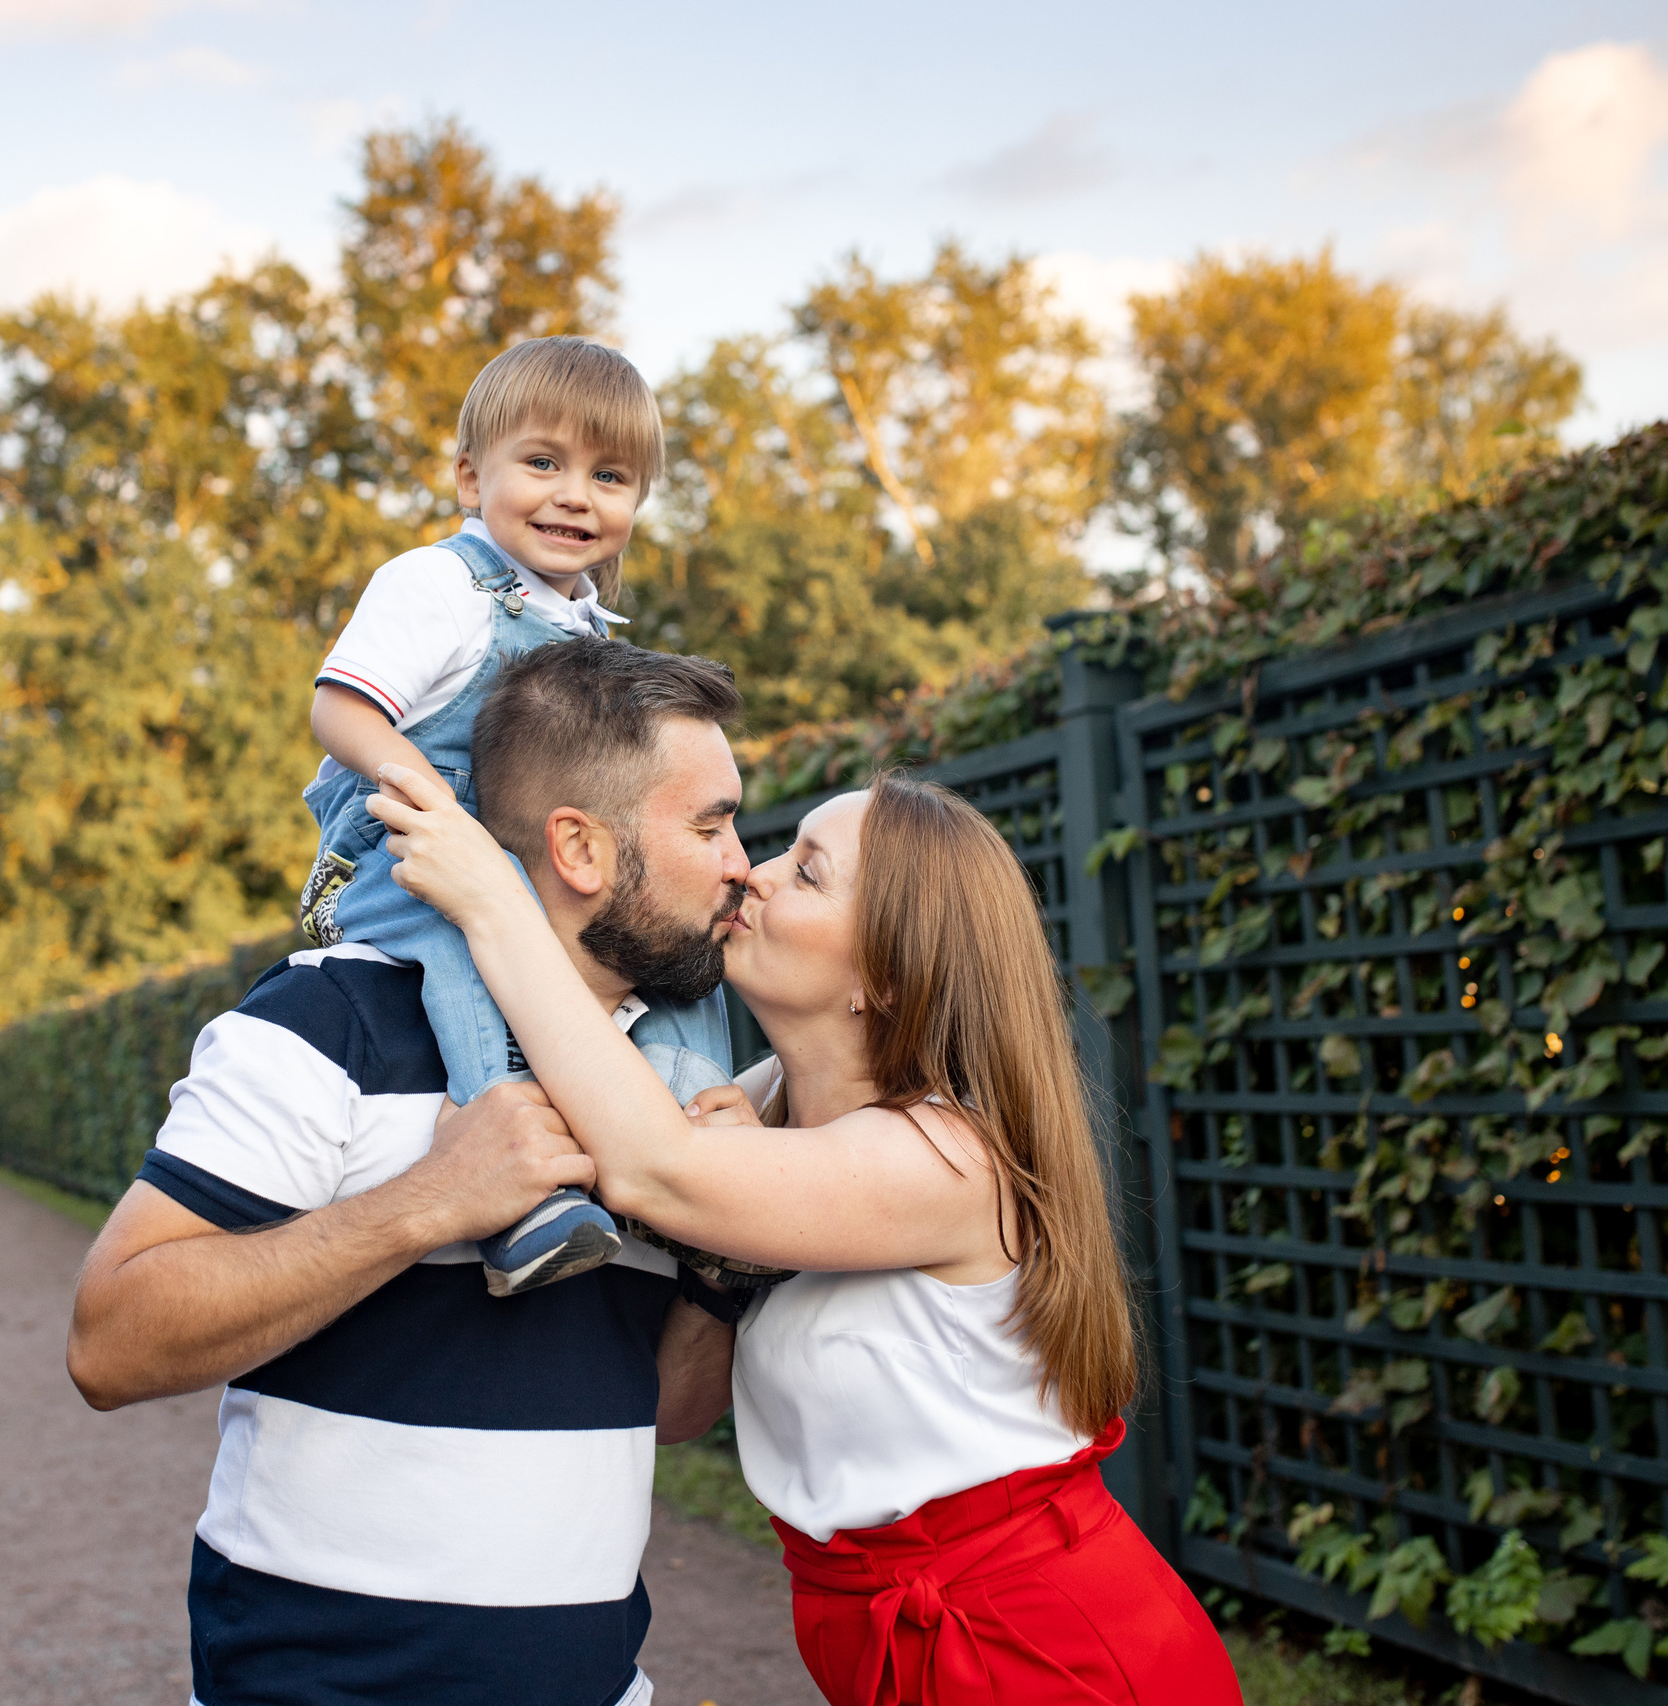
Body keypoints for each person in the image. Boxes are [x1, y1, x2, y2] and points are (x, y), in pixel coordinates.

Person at [375, 757, 1245, 1705]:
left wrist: (492, 904)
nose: (754, 871)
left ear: (884, 972)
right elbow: (674, 1407)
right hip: (873, 1634)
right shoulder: (761, 1111)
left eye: (809, 871)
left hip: (1040, 1649)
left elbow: (651, 1167)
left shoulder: (950, 1158)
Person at [65, 643, 766, 1706]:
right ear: (578, 845)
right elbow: (111, 1341)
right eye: (709, 825)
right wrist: (431, 1201)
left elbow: (656, 1408)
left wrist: (719, 1269)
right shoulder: (329, 1017)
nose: (741, 864)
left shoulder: (666, 1093)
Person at [298, 334, 743, 1297]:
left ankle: (693, 1161)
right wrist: (432, 812)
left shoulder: (586, 623)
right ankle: (515, 1184)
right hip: (408, 852)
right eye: (544, 463)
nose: (576, 495)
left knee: (679, 958)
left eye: (610, 475)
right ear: (470, 476)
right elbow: (338, 708)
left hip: (534, 859)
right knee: (473, 945)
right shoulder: (439, 585)